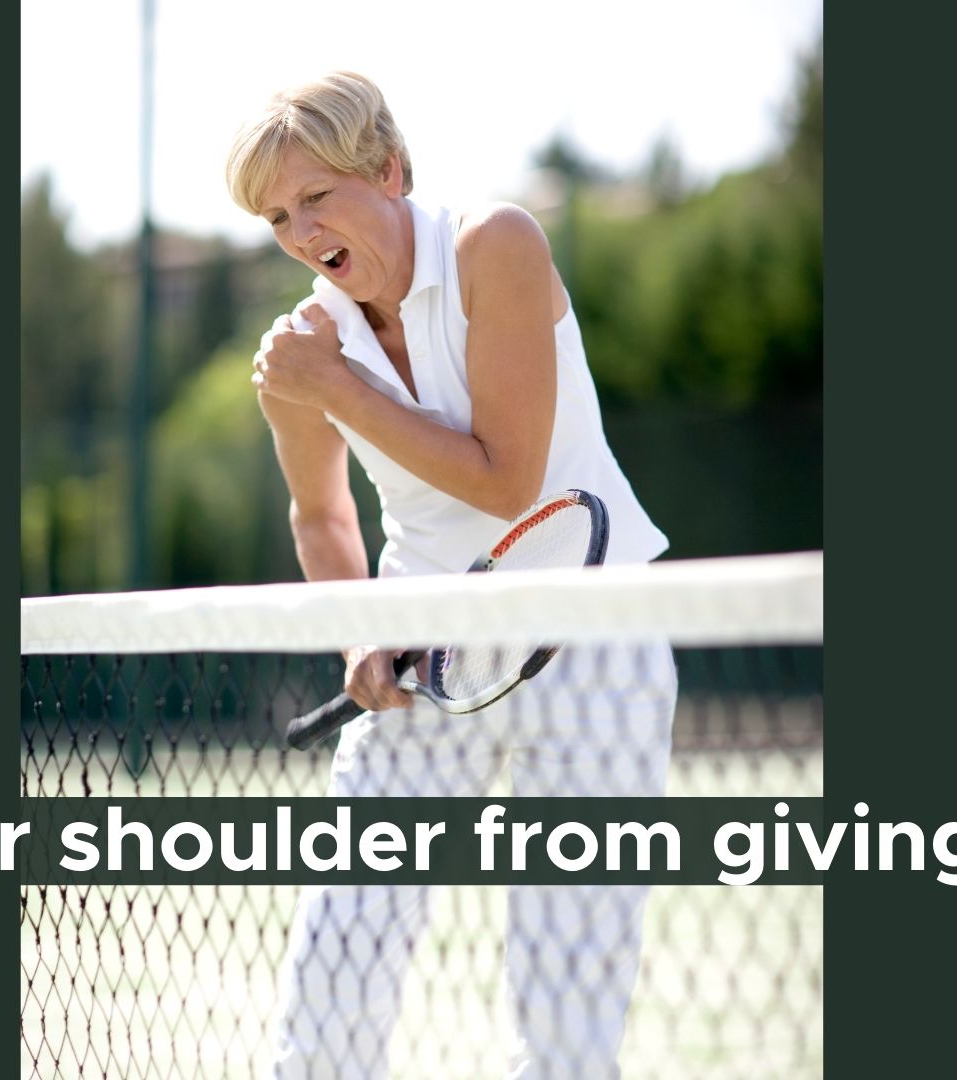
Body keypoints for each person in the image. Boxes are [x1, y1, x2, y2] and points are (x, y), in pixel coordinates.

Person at [227, 71, 676, 1080]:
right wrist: (359, 641)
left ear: (387, 169)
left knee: (568, 1013)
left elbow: (508, 480)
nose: (300, 234)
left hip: (597, 647)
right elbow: (320, 513)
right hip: (423, 669)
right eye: (276, 217)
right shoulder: (301, 355)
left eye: (317, 198)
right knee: (337, 964)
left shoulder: (496, 243)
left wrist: (336, 384)